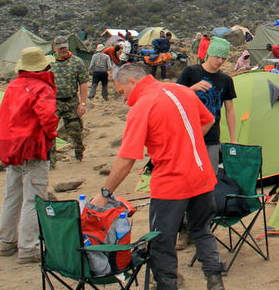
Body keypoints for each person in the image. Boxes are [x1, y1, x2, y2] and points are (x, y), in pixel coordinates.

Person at [91, 64, 226, 290]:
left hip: (171, 183)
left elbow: (126, 159)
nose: (122, 98)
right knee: (201, 230)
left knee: (161, 240)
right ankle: (215, 280)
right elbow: (209, 121)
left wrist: (105, 193)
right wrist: (184, 142)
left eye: (121, 91)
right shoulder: (182, 90)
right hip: (202, 176)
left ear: (132, 82)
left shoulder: (143, 106)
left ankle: (167, 284)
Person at [0, 47, 57, 264]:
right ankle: (28, 248)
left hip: (10, 147)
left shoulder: (13, 86)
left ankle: (6, 242)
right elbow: (48, 117)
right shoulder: (41, 87)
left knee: (12, 196)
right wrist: (51, 135)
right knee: (33, 198)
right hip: (32, 147)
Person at [176, 37, 236, 172]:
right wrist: (193, 88)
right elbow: (174, 98)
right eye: (217, 57)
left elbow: (230, 111)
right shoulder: (191, 72)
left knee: (210, 175)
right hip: (188, 133)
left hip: (212, 136)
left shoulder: (226, 80)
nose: (220, 61)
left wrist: (233, 139)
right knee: (187, 173)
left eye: (223, 58)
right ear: (209, 54)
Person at [51, 35, 89, 163]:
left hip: (71, 101)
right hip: (54, 102)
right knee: (49, 131)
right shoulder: (49, 63)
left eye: (65, 48)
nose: (63, 50)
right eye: (60, 48)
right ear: (54, 48)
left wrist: (82, 103)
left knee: (75, 131)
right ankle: (50, 160)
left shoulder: (77, 62)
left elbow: (83, 83)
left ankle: (79, 154)